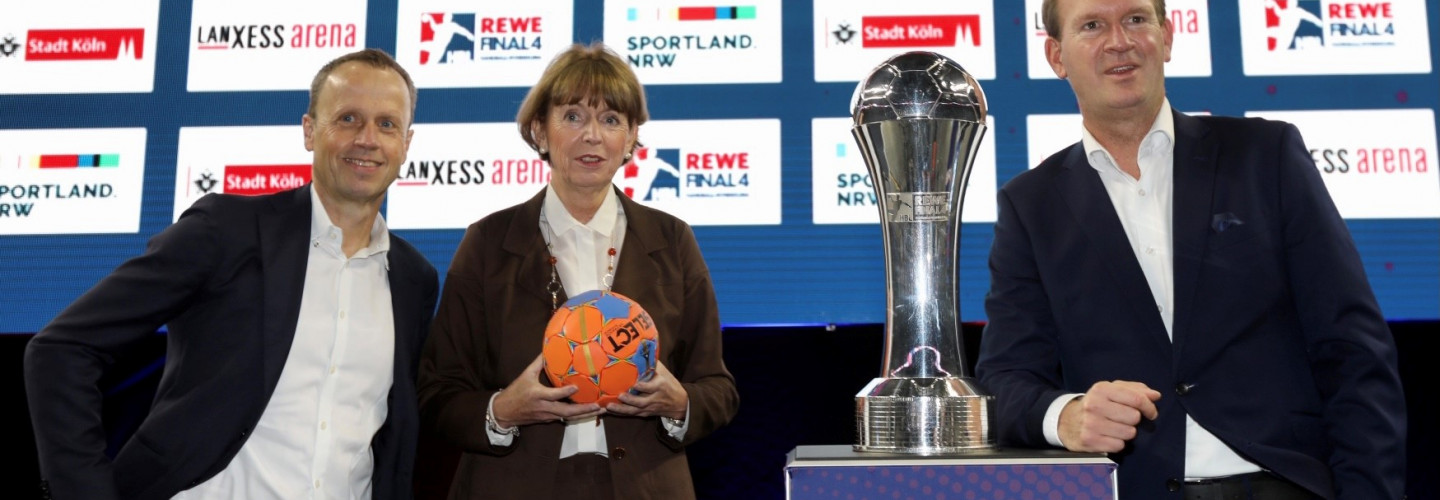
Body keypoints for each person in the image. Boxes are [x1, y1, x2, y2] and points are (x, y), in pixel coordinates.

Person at [974, 0, 1406, 499]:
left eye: (1136, 19)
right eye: (1092, 25)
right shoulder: (1032, 205)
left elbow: (1352, 349)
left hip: (1283, 484)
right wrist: (1065, 416)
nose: (1119, 40)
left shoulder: (1265, 155)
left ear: (1168, 36)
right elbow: (1005, 380)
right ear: (1056, 56)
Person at [25, 48, 438, 500]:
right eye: (347, 119)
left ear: (407, 144)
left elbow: (392, 436)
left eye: (387, 124)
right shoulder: (227, 231)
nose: (367, 139)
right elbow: (62, 349)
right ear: (309, 131)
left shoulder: (414, 279)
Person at [417, 42, 738, 500]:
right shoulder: (488, 243)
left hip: (645, 487)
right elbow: (437, 392)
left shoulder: (671, 240)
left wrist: (681, 403)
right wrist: (501, 411)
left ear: (630, 139)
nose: (592, 136)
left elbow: (718, 388)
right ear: (540, 132)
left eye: (611, 120)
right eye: (572, 116)